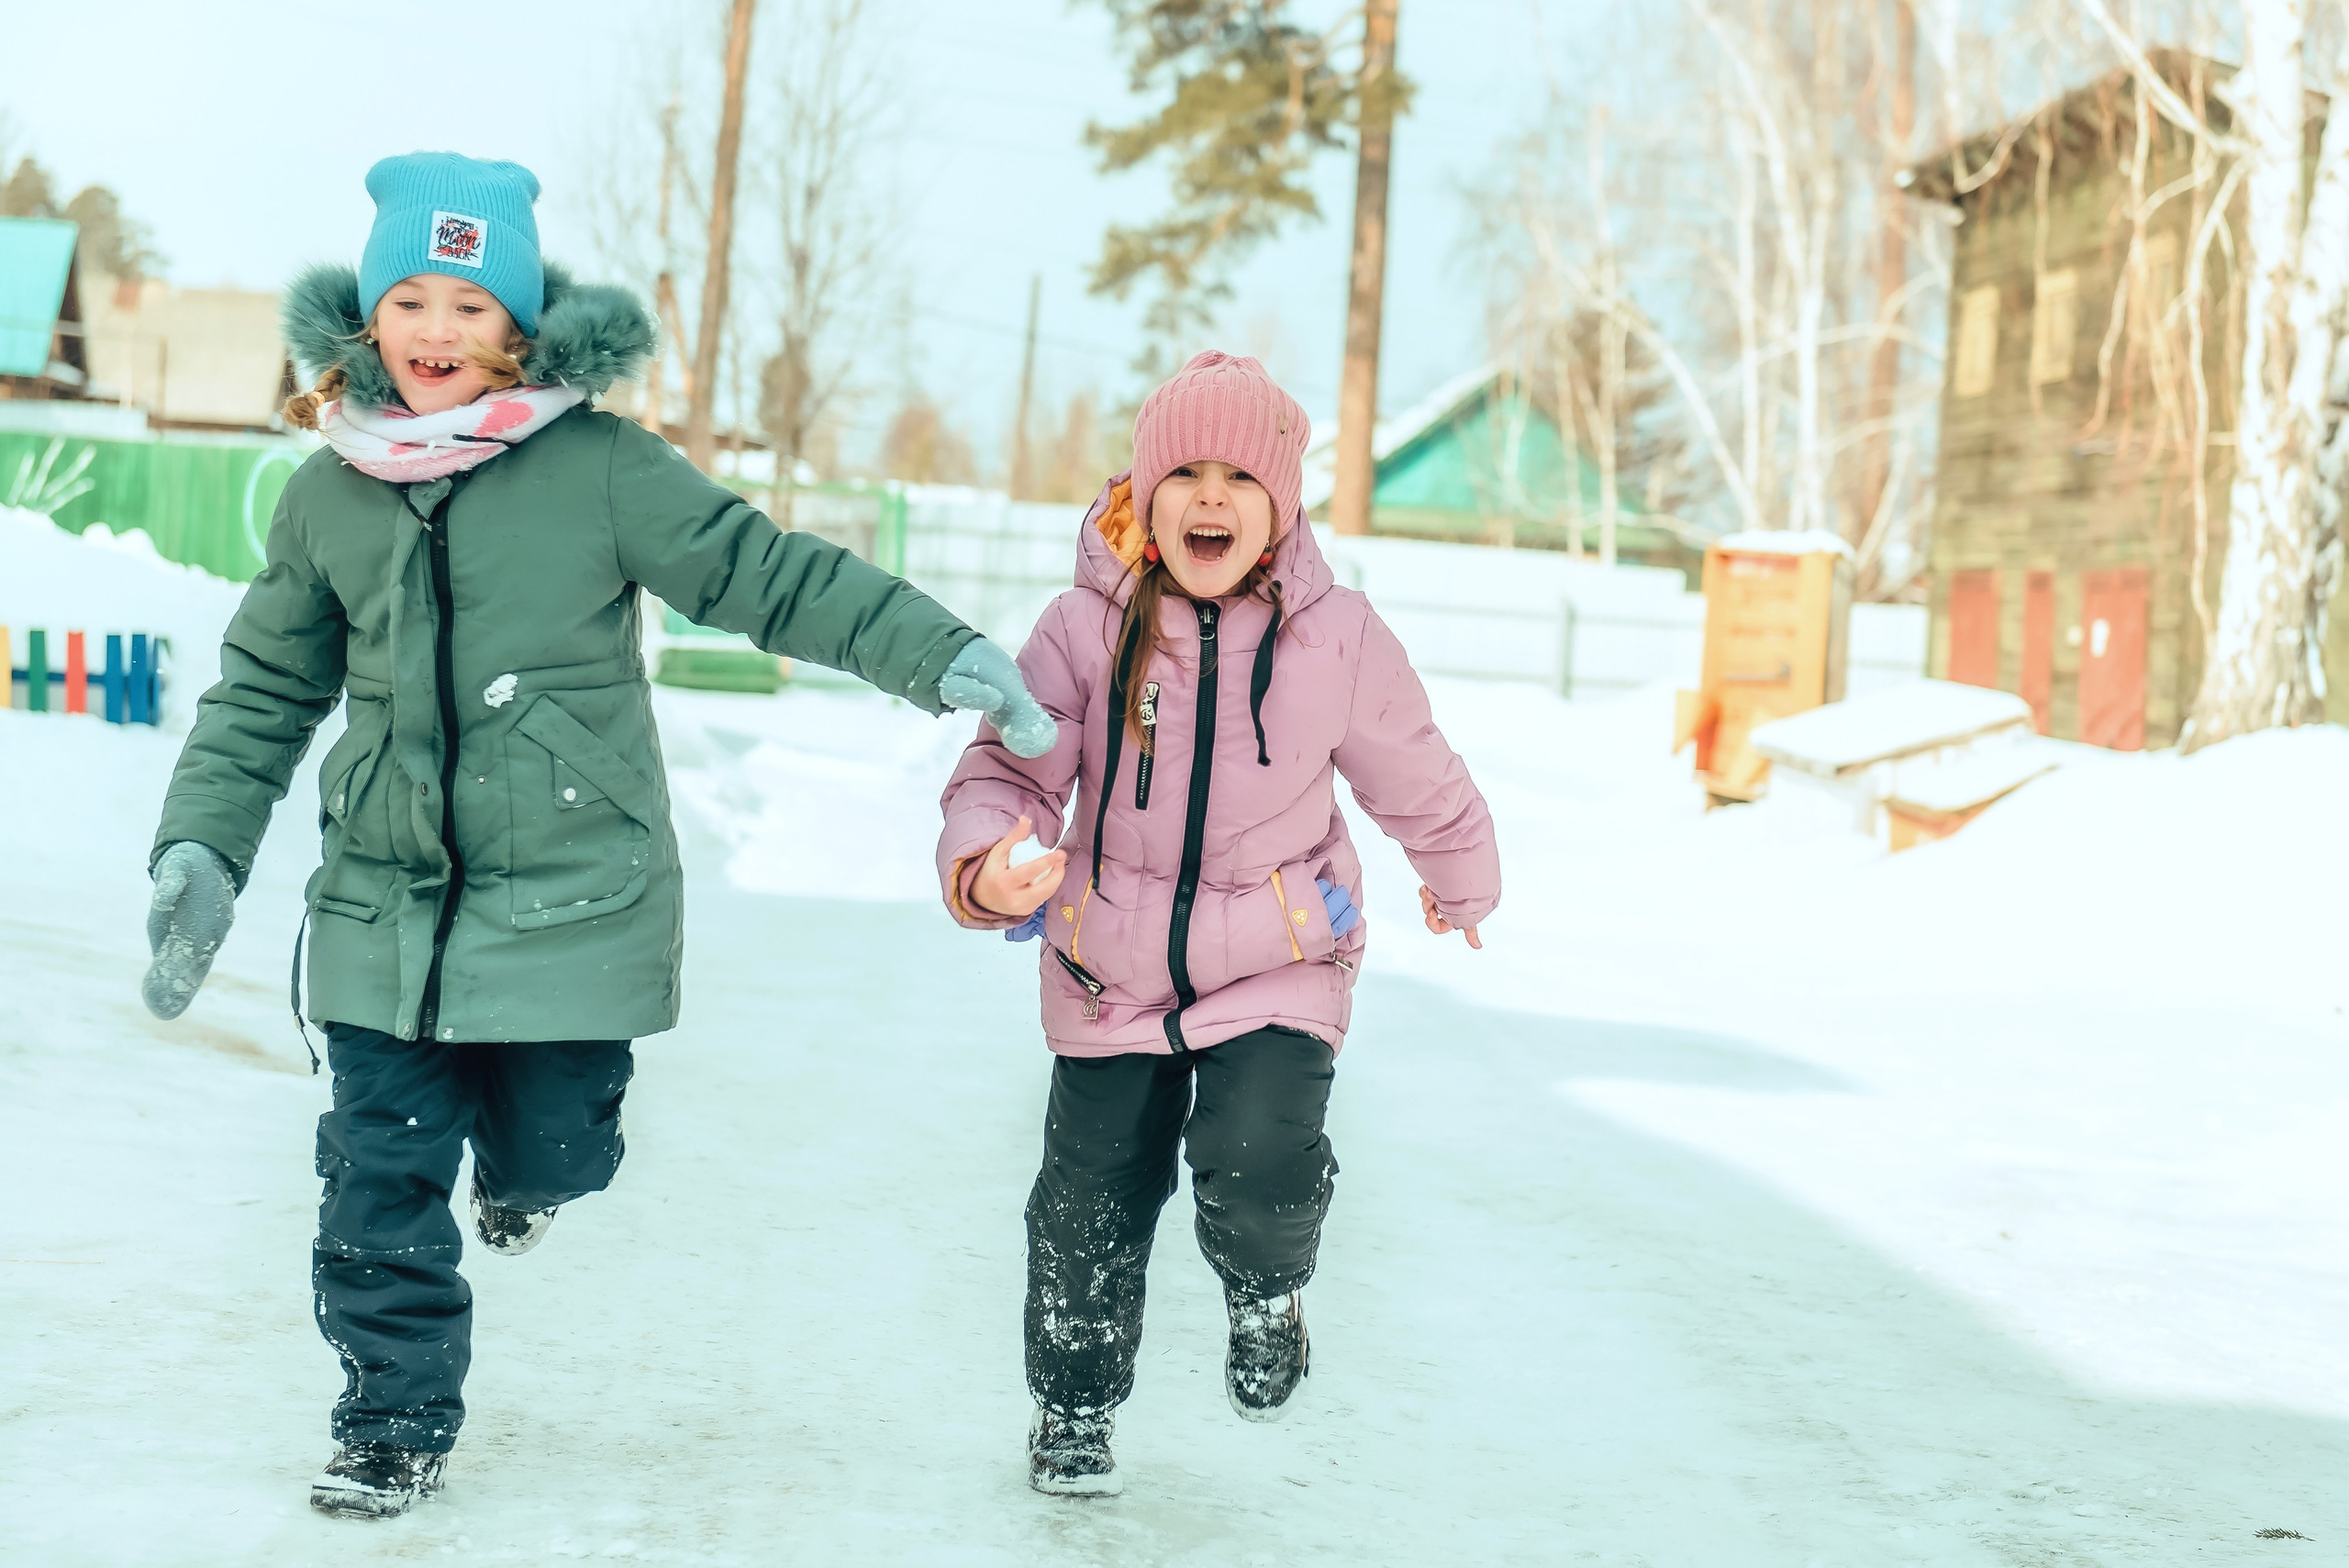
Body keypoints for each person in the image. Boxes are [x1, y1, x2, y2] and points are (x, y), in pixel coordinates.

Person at [138, 151, 1054, 1520]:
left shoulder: (602, 468)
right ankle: (389, 1420)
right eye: (411, 300)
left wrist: (940, 652)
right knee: (374, 1175)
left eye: (469, 305)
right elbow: (266, 687)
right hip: (384, 908)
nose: (438, 331)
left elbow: (767, 573)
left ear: (519, 327)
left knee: (559, 1138)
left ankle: (532, 1178)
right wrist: (204, 845)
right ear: (366, 322)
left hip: (570, 893)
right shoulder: (328, 492)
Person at [935, 350, 1501, 1496]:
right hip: (1112, 966)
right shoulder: (1085, 628)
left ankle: (1266, 1290)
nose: (1207, 497)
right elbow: (1011, 762)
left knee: (1255, 1163)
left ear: (1281, 504)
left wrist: (1461, 872)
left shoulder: (1334, 637)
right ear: (1143, 497)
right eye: (1181, 472)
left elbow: (1414, 767)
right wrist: (986, 863)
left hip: (1284, 951)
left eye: (1238, 477)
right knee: (1085, 1205)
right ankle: (1074, 1406)